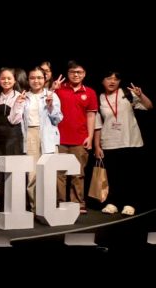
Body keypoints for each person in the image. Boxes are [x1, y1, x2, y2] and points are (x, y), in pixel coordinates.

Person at [94, 72, 152, 216]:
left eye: (116, 79)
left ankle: (130, 203)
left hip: (130, 140)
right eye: (109, 78)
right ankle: (113, 202)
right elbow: (97, 124)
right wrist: (97, 146)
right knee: (113, 175)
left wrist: (141, 95)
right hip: (109, 141)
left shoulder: (127, 94)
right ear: (102, 81)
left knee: (130, 174)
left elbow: (149, 106)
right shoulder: (99, 98)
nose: (112, 81)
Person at [13, 66, 62, 209]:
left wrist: (51, 106)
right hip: (30, 134)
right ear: (28, 80)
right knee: (32, 174)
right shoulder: (24, 96)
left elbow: (58, 119)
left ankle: (49, 208)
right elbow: (14, 119)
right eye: (33, 78)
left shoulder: (51, 95)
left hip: (48, 135)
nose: (36, 81)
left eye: (39, 77)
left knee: (49, 173)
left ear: (45, 79)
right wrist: (18, 104)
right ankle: (34, 207)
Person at [54, 61, 99, 213]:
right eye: (73, 72)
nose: (76, 74)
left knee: (78, 173)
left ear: (84, 74)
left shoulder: (90, 92)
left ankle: (78, 203)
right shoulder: (59, 89)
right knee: (59, 174)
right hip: (60, 139)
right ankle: (60, 202)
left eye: (79, 72)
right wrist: (53, 90)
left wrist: (90, 137)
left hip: (80, 139)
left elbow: (91, 116)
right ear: (68, 73)